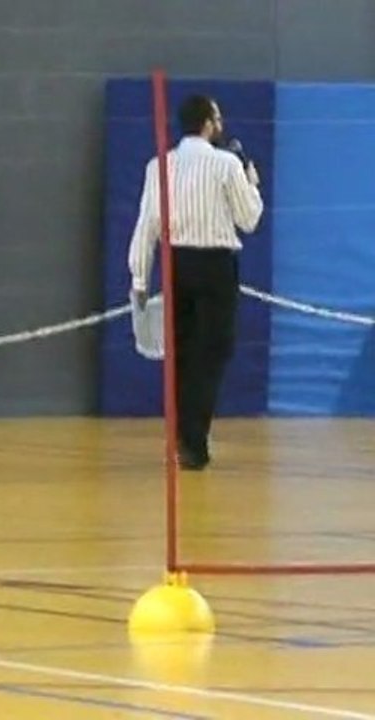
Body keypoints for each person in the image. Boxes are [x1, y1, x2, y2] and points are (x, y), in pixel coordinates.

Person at [128, 94, 263, 470]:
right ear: (207, 122)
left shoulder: (159, 166)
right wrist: (252, 184)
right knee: (211, 354)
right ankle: (193, 442)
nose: (221, 125)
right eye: (217, 118)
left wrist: (140, 277)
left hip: (177, 265)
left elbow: (147, 226)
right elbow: (249, 219)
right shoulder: (227, 165)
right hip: (216, 267)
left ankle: (182, 435)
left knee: (183, 353)